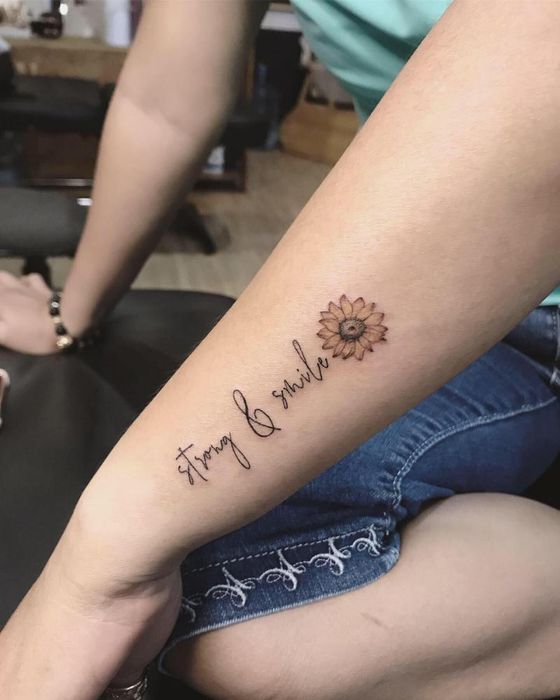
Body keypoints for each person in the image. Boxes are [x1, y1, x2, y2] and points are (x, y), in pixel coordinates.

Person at [1, 1, 560, 698]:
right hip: (421, 273)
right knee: (218, 617)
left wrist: (101, 552)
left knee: (225, 622)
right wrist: (68, 313)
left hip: (539, 308)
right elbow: (165, 99)